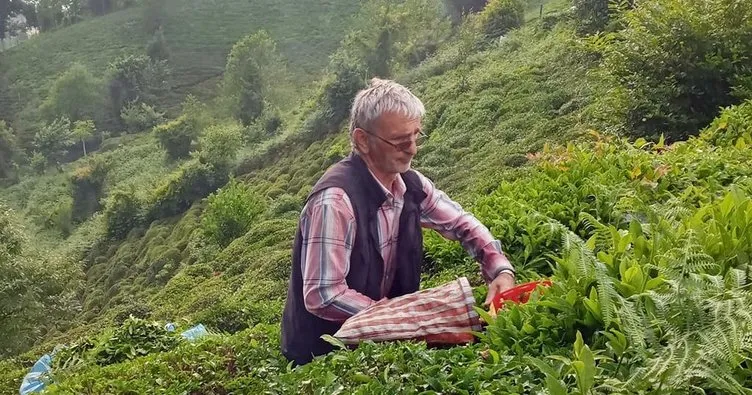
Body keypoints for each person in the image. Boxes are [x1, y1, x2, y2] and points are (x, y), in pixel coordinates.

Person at [281, 78, 516, 365]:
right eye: (401, 141)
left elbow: (461, 224)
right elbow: (323, 294)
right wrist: (401, 316)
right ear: (362, 140)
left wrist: (500, 269)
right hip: (324, 354)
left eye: (417, 136)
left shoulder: (410, 185)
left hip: (386, 344)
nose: (413, 149)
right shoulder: (335, 201)